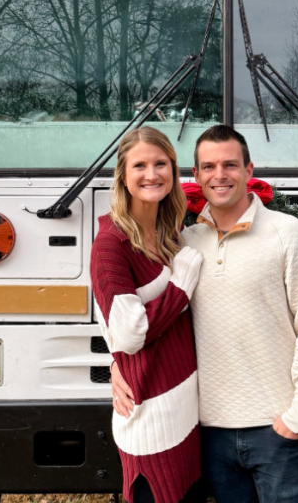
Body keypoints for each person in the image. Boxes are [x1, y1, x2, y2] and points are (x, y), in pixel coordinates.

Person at [113, 124, 298, 503]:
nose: (220, 175)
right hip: (208, 433)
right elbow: (150, 319)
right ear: (196, 175)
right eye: (209, 166)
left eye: (230, 165)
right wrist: (118, 365)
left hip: (276, 430)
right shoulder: (182, 243)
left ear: (249, 171)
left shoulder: (288, 234)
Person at [91, 127, 206, 503]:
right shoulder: (111, 245)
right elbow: (128, 332)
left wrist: (115, 362)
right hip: (150, 421)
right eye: (140, 165)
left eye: (161, 164)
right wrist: (180, 286)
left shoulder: (171, 232)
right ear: (123, 175)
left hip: (185, 411)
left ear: (174, 171)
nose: (151, 174)